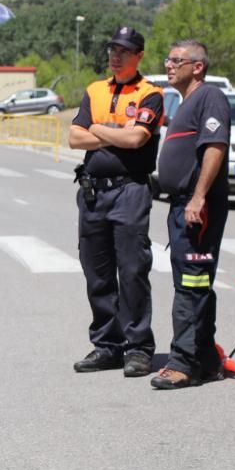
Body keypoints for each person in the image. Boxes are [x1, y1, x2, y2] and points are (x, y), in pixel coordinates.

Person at [68, 26, 164, 378]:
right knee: (98, 272)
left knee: (133, 270)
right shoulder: (94, 90)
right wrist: (114, 134)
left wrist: (97, 130)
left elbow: (137, 138)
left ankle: (138, 348)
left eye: (124, 50)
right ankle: (107, 345)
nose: (116, 55)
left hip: (130, 191)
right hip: (94, 192)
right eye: (112, 49)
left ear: (139, 55)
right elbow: (74, 138)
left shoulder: (151, 93)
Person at [151, 40, 231, 389]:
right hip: (183, 204)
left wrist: (198, 197)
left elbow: (215, 147)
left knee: (192, 284)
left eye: (176, 60)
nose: (169, 65)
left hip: (199, 206)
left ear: (197, 66)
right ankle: (206, 360)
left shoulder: (210, 97)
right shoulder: (186, 102)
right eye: (168, 60)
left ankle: (183, 363)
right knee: (193, 283)